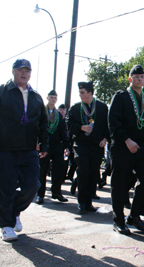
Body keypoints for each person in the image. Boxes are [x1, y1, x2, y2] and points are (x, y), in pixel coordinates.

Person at [0, 59, 49, 241]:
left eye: (27, 70)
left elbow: (43, 124)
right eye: (21, 70)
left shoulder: (36, 97)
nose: (24, 73)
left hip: (29, 149)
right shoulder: (3, 92)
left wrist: (44, 145)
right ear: (13, 71)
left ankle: (14, 211)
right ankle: (6, 226)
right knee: (6, 188)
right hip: (6, 149)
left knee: (32, 186)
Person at [108, 65, 144, 235]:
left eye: (142, 76)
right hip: (122, 145)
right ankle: (118, 219)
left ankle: (135, 216)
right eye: (136, 76)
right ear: (130, 79)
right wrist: (127, 140)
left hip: (141, 146)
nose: (139, 79)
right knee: (119, 183)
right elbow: (113, 122)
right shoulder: (120, 97)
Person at [66, 81, 109, 214]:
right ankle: (81, 202)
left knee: (93, 172)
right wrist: (80, 127)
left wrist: (105, 138)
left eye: (83, 92)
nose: (80, 95)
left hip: (97, 145)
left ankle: (89, 202)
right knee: (83, 170)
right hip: (81, 144)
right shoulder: (75, 108)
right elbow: (68, 124)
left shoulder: (102, 107)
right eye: (80, 92)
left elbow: (109, 125)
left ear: (90, 93)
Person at [36, 90, 70, 204]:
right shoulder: (41, 112)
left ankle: (56, 192)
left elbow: (63, 131)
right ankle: (40, 194)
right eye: (51, 97)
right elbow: (37, 128)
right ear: (47, 98)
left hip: (56, 145)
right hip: (44, 144)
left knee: (59, 168)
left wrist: (66, 146)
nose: (53, 99)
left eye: (55, 98)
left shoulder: (58, 115)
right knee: (42, 170)